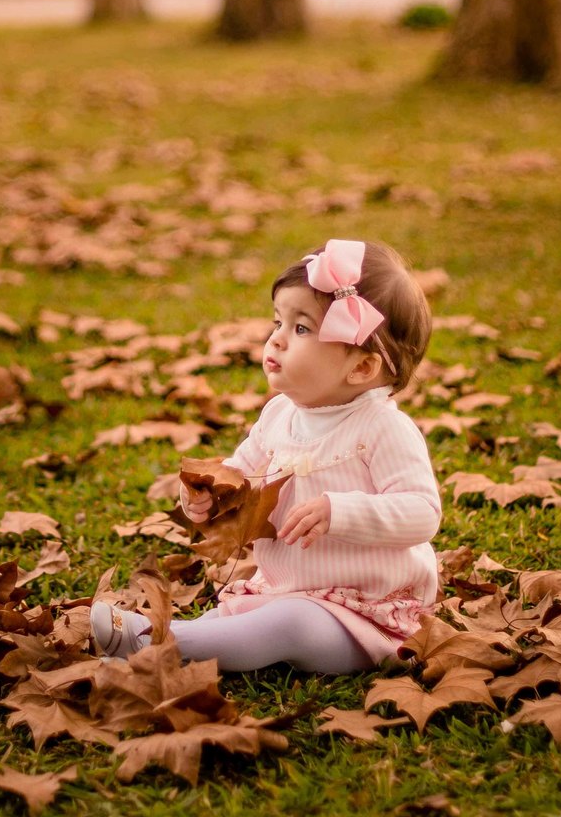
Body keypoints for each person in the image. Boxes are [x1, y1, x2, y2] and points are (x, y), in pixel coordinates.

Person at [90, 237, 440, 674]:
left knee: (287, 625)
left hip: (365, 613)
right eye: (278, 321)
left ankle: (152, 640)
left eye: (300, 329)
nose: (275, 340)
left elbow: (423, 512)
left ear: (362, 368)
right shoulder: (279, 415)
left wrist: (341, 511)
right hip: (285, 588)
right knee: (234, 617)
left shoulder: (383, 428)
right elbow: (241, 478)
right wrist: (209, 499)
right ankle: (171, 637)